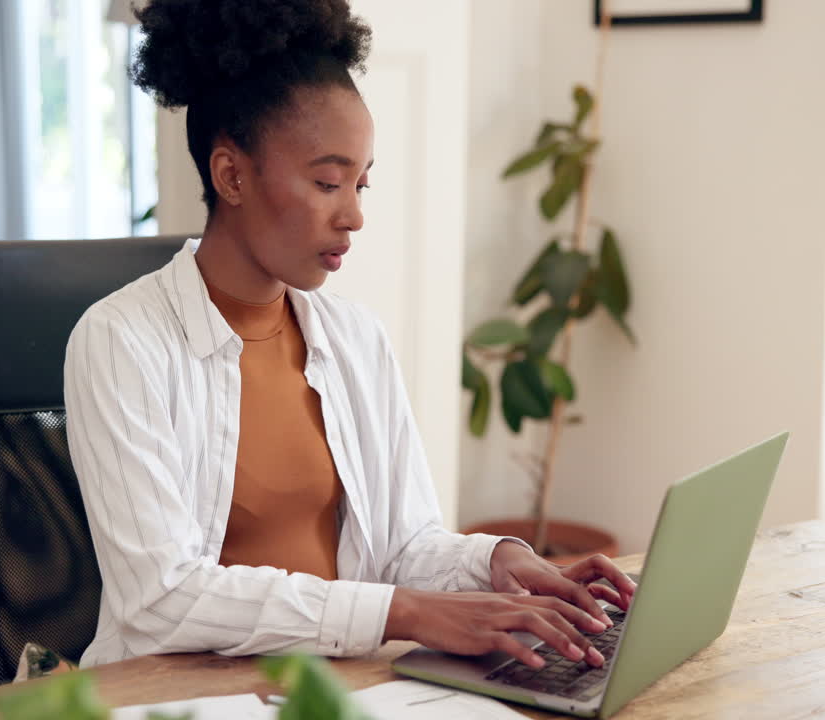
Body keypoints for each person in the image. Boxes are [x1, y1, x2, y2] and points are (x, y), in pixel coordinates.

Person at [63, 0, 636, 672]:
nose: (355, 215)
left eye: (361, 184)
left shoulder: (355, 338)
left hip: (337, 686)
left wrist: (497, 561)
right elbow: (160, 598)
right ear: (231, 174)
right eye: (328, 182)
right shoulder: (120, 341)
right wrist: (404, 611)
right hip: (178, 697)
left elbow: (404, 547)